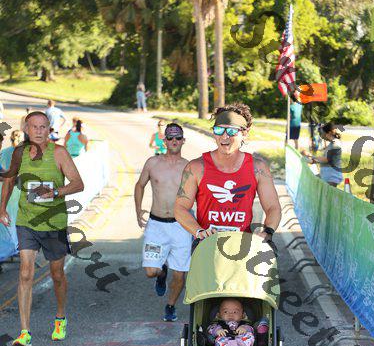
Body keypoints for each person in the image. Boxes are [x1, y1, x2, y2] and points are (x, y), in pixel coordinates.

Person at [0, 111, 84, 346]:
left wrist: (56, 192)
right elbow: (9, 180)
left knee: (57, 274)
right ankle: (24, 332)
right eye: (34, 127)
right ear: (26, 129)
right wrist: (2, 208)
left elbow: (78, 183)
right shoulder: (19, 153)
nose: (38, 131)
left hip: (54, 222)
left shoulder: (59, 153)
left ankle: (60, 318)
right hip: (26, 222)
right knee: (25, 272)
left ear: (49, 129)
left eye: (43, 126)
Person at [174, 103, 281, 249]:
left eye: (231, 131)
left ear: (245, 133)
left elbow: (273, 207)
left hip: (242, 248)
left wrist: (267, 232)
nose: (224, 136)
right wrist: (199, 232)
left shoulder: (258, 168)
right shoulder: (196, 167)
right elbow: (180, 207)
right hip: (206, 247)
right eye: (219, 130)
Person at [135, 123, 192, 322]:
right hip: (156, 226)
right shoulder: (153, 163)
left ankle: (170, 306)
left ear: (183, 141)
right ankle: (161, 273)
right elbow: (139, 185)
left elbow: (201, 194)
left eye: (178, 138)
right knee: (151, 271)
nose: (174, 141)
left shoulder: (189, 166)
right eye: (170, 138)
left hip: (181, 225)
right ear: (164, 140)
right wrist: (138, 210)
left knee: (180, 274)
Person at [301, 122, 343, 187]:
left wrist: (310, 156)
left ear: (329, 133)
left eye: (322, 133)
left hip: (331, 177)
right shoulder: (331, 144)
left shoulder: (335, 144)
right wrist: (314, 161)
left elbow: (326, 159)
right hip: (327, 175)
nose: (321, 135)